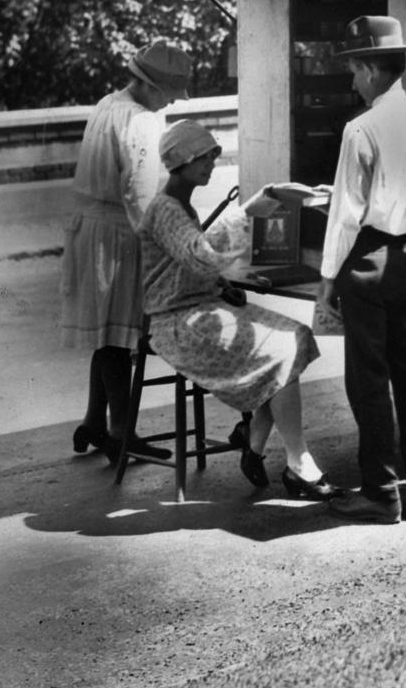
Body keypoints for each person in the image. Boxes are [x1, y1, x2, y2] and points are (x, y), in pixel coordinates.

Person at [137, 120, 337, 499]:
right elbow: (201, 255)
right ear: (181, 161)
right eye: (204, 159)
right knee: (277, 350)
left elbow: (183, 266)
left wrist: (222, 286)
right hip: (178, 323)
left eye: (213, 157)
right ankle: (299, 463)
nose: (212, 165)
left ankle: (255, 443)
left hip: (201, 308)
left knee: (295, 336)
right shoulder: (165, 209)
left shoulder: (179, 204)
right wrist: (252, 209)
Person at [316, 16, 406, 524]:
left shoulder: (360, 129)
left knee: (369, 382)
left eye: (354, 70)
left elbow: (346, 213)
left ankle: (381, 491)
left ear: (371, 69)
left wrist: (327, 278)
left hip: (368, 261)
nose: (352, 81)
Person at [61, 39, 191, 463]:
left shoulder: (107, 104)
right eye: (172, 91)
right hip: (118, 230)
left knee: (106, 331)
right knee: (121, 335)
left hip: (89, 225)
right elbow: (139, 193)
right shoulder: (141, 121)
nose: (172, 100)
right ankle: (121, 431)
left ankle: (95, 419)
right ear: (154, 86)